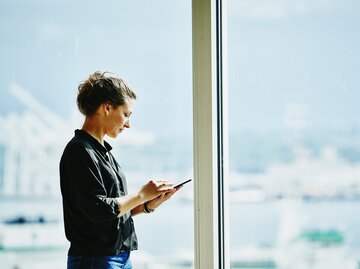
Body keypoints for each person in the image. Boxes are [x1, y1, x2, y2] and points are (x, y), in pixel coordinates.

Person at [60, 71, 180, 269]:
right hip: (95, 260)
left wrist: (148, 205)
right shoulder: (79, 151)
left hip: (119, 258)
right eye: (126, 114)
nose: (128, 124)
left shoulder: (103, 153)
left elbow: (110, 214)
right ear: (107, 108)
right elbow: (99, 209)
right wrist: (142, 194)